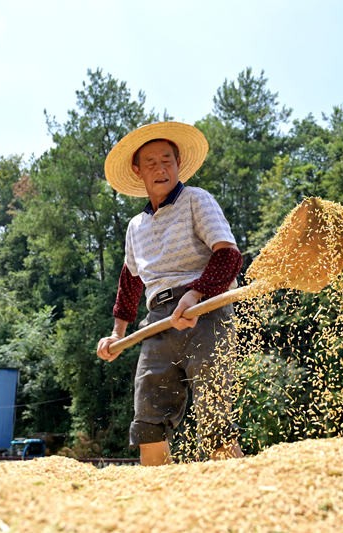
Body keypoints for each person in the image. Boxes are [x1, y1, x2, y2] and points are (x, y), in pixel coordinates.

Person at [96, 121, 244, 466]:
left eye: (167, 161)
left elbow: (228, 255)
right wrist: (117, 334)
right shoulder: (136, 226)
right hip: (158, 321)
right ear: (138, 171)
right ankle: (157, 503)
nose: (160, 168)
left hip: (206, 311)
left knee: (214, 410)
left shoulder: (197, 200)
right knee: (148, 412)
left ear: (178, 165)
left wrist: (195, 295)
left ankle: (239, 500)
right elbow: (130, 282)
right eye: (151, 163)